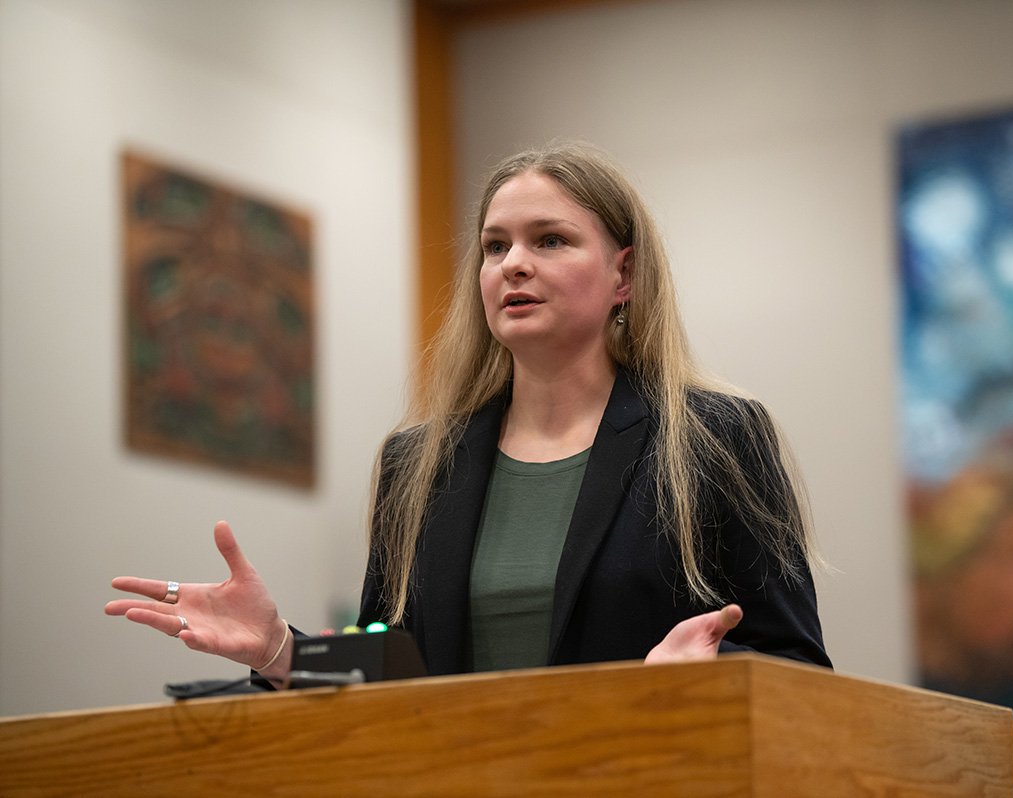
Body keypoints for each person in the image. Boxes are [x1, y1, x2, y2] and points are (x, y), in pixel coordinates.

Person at [105, 141, 831, 685]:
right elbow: (394, 682)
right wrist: (279, 651)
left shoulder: (715, 438)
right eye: (494, 246)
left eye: (550, 240)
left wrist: (707, 671)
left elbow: (799, 667)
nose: (513, 264)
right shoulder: (416, 466)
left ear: (625, 275)